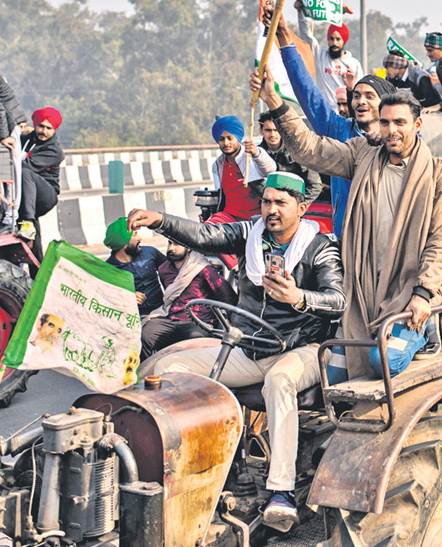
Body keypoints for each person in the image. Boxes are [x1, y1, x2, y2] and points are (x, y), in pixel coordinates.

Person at [129, 171, 343, 527]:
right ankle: (191, 469)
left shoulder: (320, 247)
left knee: (279, 381)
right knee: (162, 369)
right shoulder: (250, 234)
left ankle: (281, 491)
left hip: (302, 349)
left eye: (280, 202)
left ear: (302, 208)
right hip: (249, 348)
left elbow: (337, 300)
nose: (271, 209)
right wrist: (161, 221)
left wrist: (298, 297)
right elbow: (205, 235)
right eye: (266, 202)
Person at [257, 70, 442, 383]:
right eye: (386, 122)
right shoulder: (362, 154)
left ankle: (422, 334)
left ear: (417, 125)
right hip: (363, 292)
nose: (392, 130)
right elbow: (310, 149)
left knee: (382, 361)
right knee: (335, 376)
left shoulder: (439, 175)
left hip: (409, 293)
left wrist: (422, 294)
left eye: (400, 123)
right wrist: (273, 100)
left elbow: (441, 242)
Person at [262, 9, 395, 239]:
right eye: (357, 95)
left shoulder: (404, 141)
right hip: (347, 239)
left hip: (389, 244)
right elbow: (308, 93)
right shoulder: (340, 129)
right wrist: (284, 35)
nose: (360, 101)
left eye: (369, 96)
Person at [139, 240, 234, 358]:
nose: (171, 248)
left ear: (188, 248)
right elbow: (170, 296)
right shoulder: (164, 269)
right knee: (145, 334)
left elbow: (226, 294)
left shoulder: (202, 268)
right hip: (171, 318)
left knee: (196, 340)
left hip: (197, 320)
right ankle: (147, 374)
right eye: (169, 243)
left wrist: (233, 324)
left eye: (176, 244)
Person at [206, 115, 276, 268]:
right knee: (208, 231)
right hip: (230, 216)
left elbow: (270, 169)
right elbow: (219, 195)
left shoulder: (251, 157)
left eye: (230, 138)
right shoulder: (217, 165)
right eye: (222, 139)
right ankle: (237, 267)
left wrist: (257, 152)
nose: (226, 143)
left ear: (238, 137)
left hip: (256, 219)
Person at [297, 3, 364, 112]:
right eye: (331, 39)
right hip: (324, 112)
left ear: (344, 41)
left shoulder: (354, 64)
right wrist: (300, 12)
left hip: (345, 114)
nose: (334, 43)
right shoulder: (320, 55)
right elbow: (306, 35)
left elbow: (360, 91)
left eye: (338, 39)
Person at [250, 111, 323, 205]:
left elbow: (315, 185)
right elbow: (255, 184)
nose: (272, 134)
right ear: (261, 131)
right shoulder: (255, 154)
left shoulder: (296, 151)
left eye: (276, 130)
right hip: (269, 207)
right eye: (268, 130)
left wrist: (298, 206)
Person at [17, 107, 65, 241]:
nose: (44, 131)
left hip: (45, 195)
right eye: (41, 126)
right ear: (35, 125)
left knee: (25, 171)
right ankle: (37, 261)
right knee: (29, 236)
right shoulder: (25, 139)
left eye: (49, 128)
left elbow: (24, 165)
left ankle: (28, 221)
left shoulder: (54, 151)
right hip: (28, 194)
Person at [104, 217, 168, 317]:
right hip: (133, 320)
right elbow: (105, 298)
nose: (140, 238)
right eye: (135, 235)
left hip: (163, 312)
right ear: (123, 242)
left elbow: (171, 271)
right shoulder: (108, 270)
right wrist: (127, 297)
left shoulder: (150, 253)